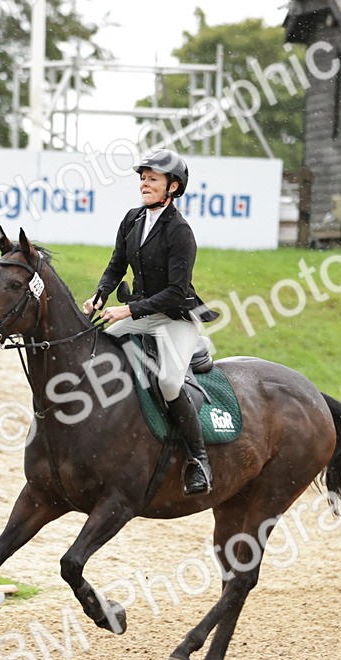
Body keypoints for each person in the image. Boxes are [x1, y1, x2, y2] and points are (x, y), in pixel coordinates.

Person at [84, 149, 219, 495]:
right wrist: (100, 296)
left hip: (175, 319)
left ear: (172, 187)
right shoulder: (132, 219)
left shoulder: (180, 232)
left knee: (170, 383)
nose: (144, 183)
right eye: (142, 178)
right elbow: (116, 266)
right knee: (96, 351)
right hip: (142, 315)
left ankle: (199, 459)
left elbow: (176, 292)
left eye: (152, 178)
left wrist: (127, 311)